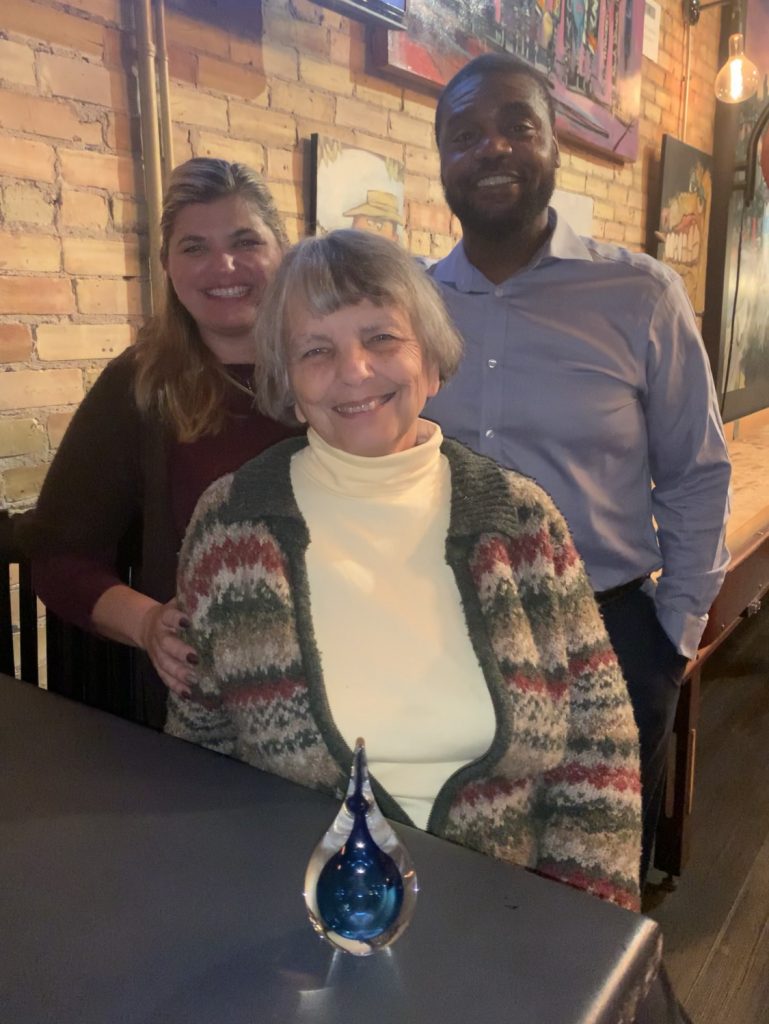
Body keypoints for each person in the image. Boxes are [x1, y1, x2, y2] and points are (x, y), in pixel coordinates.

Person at [166, 229, 642, 911]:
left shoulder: (519, 519)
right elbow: (199, 751)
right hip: (297, 920)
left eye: (381, 339)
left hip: (508, 921)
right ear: (288, 382)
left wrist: (576, 932)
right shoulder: (233, 523)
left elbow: (598, 747)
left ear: (432, 362)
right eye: (317, 350)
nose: (354, 371)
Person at [423, 52, 732, 880]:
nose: (492, 148)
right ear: (442, 160)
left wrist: (674, 634)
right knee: (453, 859)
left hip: (609, 630)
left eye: (517, 126)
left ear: (554, 144)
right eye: (466, 134)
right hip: (443, 629)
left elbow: (698, 471)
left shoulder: (639, 295)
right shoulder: (408, 307)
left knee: (594, 877)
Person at [19, 158, 297, 728]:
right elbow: (61, 557)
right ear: (168, 265)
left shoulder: (338, 371)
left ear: (282, 252)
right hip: (205, 709)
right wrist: (148, 624)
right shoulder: (141, 384)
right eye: (194, 247)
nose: (223, 265)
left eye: (245, 240)